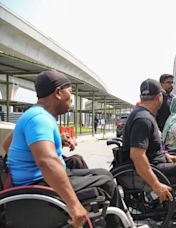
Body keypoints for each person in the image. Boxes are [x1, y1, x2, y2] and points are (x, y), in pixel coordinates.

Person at [6, 71, 123, 227]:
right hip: (39, 185)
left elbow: (7, 145)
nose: (72, 99)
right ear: (58, 93)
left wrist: (54, 142)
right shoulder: (39, 119)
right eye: (70, 93)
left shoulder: (33, 114)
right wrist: (74, 205)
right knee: (106, 181)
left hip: (36, 180)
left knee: (99, 172)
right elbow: (47, 162)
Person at [121, 79, 176, 216]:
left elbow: (149, 148)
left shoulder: (142, 114)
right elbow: (137, 155)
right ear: (159, 97)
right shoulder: (143, 119)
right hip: (147, 167)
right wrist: (156, 185)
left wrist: (167, 156)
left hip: (154, 161)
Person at [3, 131, 88, 169]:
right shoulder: (32, 123)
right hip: (40, 167)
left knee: (77, 159)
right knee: (76, 161)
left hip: (46, 161)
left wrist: (62, 139)